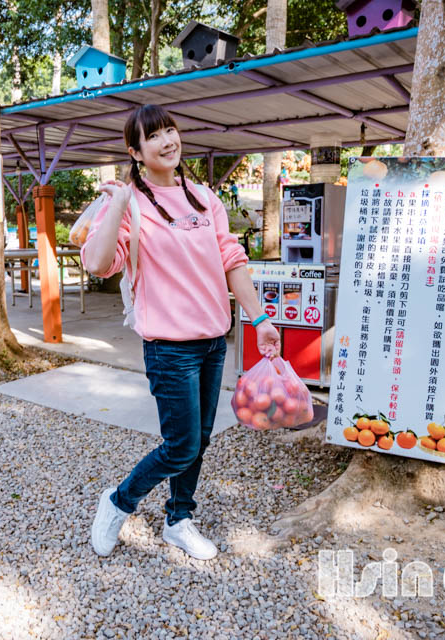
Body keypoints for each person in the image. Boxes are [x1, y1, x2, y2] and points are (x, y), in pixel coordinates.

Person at [81, 104, 280, 560]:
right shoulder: (132, 202)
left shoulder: (203, 197)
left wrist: (259, 319)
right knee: (181, 444)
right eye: (154, 136)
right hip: (169, 347)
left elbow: (231, 260)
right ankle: (118, 502)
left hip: (213, 342)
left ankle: (178, 519)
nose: (168, 140)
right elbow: (97, 263)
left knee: (200, 439)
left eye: (170, 129)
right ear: (135, 151)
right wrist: (117, 203)